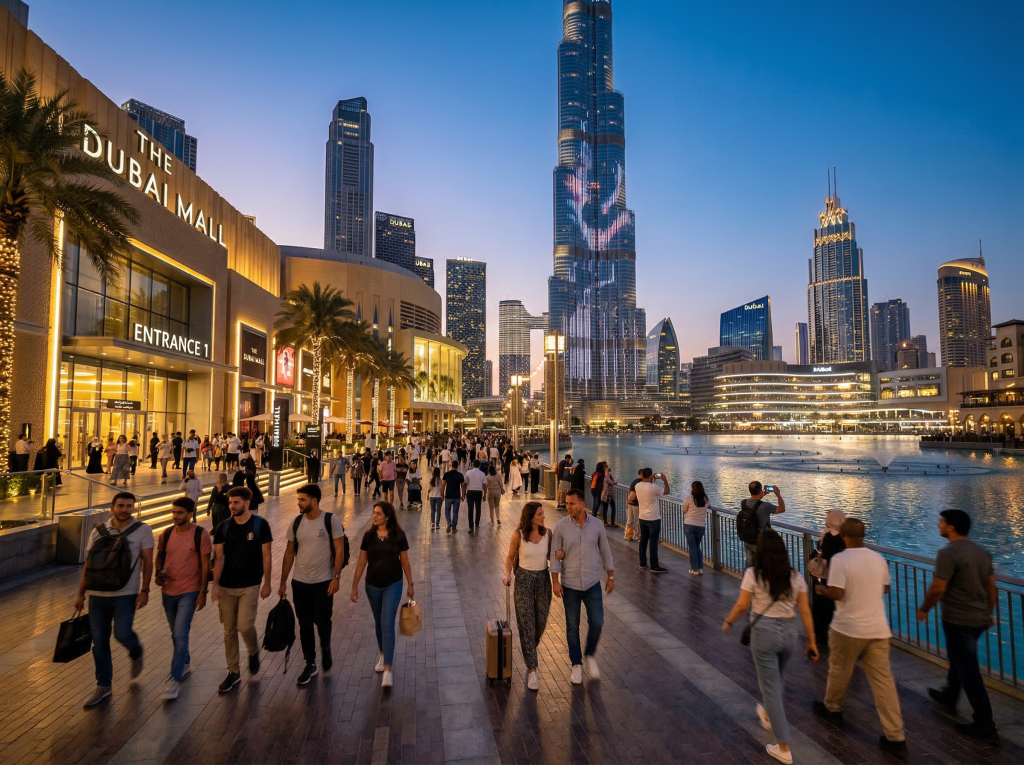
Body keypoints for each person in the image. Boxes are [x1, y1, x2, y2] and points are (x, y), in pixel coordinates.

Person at [812, 519, 907, 759]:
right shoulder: (878, 559)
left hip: (848, 628)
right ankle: (895, 736)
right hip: (877, 630)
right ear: (864, 535)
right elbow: (884, 589)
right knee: (884, 684)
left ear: (842, 534)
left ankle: (833, 708)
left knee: (839, 670)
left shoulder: (841, 560)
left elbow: (838, 593)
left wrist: (821, 590)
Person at [722, 530, 818, 765]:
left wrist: (728, 621)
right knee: (776, 680)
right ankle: (766, 711)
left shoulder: (753, 574)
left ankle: (783, 747)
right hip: (788, 633)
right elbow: (805, 612)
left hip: (763, 633)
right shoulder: (795, 576)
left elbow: (743, 604)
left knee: (771, 687)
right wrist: (812, 642)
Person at [918, 509, 998, 742]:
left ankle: (985, 724)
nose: (938, 525)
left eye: (941, 522)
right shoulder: (982, 552)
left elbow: (938, 588)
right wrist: (988, 612)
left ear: (951, 527)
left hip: (958, 619)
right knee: (960, 658)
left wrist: (924, 608)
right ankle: (950, 695)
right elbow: (991, 586)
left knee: (969, 671)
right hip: (978, 619)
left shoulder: (948, 553)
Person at [74, 492, 154, 708]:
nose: (124, 509)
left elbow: (148, 562)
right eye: (120, 505)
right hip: (97, 595)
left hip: (125, 594)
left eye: (129, 506)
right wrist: (81, 593)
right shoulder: (98, 531)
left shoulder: (142, 530)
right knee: (99, 643)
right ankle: (103, 685)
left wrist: (145, 590)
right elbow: (89, 565)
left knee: (122, 633)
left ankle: (136, 650)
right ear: (112, 508)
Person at [279, 484, 346, 685]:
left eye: (302, 499)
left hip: (323, 582)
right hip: (300, 582)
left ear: (314, 501)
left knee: (323, 622)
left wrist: (336, 577)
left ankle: (325, 648)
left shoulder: (330, 520)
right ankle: (310, 663)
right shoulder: (296, 523)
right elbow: (289, 552)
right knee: (304, 624)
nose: (298, 503)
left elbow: (339, 549)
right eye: (298, 499)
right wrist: (282, 581)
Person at [212, 486, 273, 694]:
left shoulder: (260, 525)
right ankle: (233, 671)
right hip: (227, 586)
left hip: (250, 584)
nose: (232, 506)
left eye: (236, 502)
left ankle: (253, 650)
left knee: (245, 625)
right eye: (230, 503)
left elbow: (267, 554)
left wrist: (267, 583)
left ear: (247, 503)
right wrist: (215, 585)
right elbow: (218, 558)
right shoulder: (223, 527)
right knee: (229, 630)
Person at [550, 488, 614, 685]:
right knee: (572, 626)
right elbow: (554, 555)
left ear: (582, 504)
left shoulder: (596, 525)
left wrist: (610, 576)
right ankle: (576, 664)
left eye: (571, 503)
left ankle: (590, 655)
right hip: (569, 584)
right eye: (567, 503)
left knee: (597, 621)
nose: (567, 506)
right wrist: (555, 581)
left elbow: (605, 550)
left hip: (592, 582)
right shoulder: (560, 527)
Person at [350, 501, 414, 689]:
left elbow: (405, 561)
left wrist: (410, 584)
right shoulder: (369, 536)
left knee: (387, 623)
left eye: (378, 513)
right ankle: (382, 653)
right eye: (374, 513)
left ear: (387, 516)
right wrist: (354, 585)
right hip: (372, 585)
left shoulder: (398, 535)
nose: (374, 516)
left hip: (393, 584)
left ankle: (388, 668)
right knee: (379, 622)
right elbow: (362, 561)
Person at [155, 497, 211, 700]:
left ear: (190, 514)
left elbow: (206, 566)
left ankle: (173, 678)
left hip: (189, 590)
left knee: (180, 634)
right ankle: (185, 662)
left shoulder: (200, 534)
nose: (175, 516)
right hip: (168, 591)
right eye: (174, 512)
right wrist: (157, 574)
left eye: (180, 513)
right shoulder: (166, 534)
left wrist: (203, 592)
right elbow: (159, 556)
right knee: (175, 634)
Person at [502, 501, 553, 691]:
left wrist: (560, 555)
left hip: (543, 580)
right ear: (531, 516)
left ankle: (530, 647)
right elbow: (509, 557)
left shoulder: (548, 533)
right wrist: (508, 574)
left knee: (540, 622)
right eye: (540, 514)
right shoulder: (518, 535)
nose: (543, 516)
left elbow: (551, 557)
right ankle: (532, 670)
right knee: (526, 625)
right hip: (523, 579)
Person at [811, 509, 846, 645]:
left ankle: (820, 635)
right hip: (838, 574)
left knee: (821, 604)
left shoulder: (826, 534)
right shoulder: (844, 536)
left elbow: (824, 553)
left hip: (825, 574)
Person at [631, 468, 670, 573]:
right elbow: (667, 491)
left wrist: (651, 480)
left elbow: (646, 486)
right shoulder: (654, 487)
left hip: (642, 517)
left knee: (643, 541)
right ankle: (654, 565)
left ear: (642, 475)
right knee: (653, 542)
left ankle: (642, 563)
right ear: (651, 476)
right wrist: (664, 479)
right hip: (653, 519)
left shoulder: (637, 486)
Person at [741, 481, 786, 567]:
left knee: (749, 564)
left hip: (748, 539)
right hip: (761, 541)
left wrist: (762, 494)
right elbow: (782, 509)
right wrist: (778, 494)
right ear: (760, 491)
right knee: (763, 566)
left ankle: (747, 579)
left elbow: (755, 503)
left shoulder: (743, 503)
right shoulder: (765, 506)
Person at [682, 481, 709, 575]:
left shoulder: (689, 498)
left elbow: (684, 510)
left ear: (692, 488)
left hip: (689, 524)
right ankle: (700, 568)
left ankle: (694, 569)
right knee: (697, 547)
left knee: (692, 547)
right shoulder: (706, 498)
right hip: (701, 526)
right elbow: (708, 506)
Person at [441, 463, 466, 533]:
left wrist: (442, 494)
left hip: (448, 496)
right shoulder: (460, 475)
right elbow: (463, 486)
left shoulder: (446, 474)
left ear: (451, 466)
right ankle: (454, 528)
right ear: (457, 466)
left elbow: (443, 485)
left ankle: (449, 522)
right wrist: (463, 495)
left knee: (447, 510)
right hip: (457, 496)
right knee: (455, 512)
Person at [465, 460, 486, 532]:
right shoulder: (482, 474)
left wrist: (464, 493)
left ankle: (471, 526)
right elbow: (484, 485)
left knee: (470, 509)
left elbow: (465, 483)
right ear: (479, 465)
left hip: (470, 492)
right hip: (479, 492)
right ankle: (477, 523)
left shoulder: (468, 473)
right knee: (478, 508)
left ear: (473, 465)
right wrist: (485, 495)